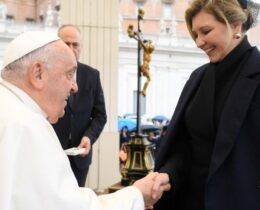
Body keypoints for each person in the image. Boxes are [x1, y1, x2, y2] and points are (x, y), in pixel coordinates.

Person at [0, 31, 170, 210]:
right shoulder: (25, 126)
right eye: (68, 74)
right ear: (38, 73)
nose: (75, 87)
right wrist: (136, 195)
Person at [152, 0, 260, 210]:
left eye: (206, 31)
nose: (199, 42)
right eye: (196, 34)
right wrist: (169, 174)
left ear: (236, 25)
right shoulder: (198, 78)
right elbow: (185, 146)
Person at [52, 24, 107, 187]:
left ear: (80, 48)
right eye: (66, 44)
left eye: (75, 44)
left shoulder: (92, 76)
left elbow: (100, 115)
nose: (70, 48)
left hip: (80, 158)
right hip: (52, 153)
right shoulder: (47, 73)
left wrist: (88, 137)